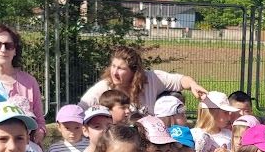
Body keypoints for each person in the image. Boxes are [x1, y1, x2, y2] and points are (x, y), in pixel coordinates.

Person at [78, 45, 209, 112]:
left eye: (121, 68)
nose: (114, 72)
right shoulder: (104, 87)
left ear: (134, 72)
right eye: (113, 66)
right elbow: (81, 107)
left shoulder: (152, 79)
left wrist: (192, 84)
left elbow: (180, 80)